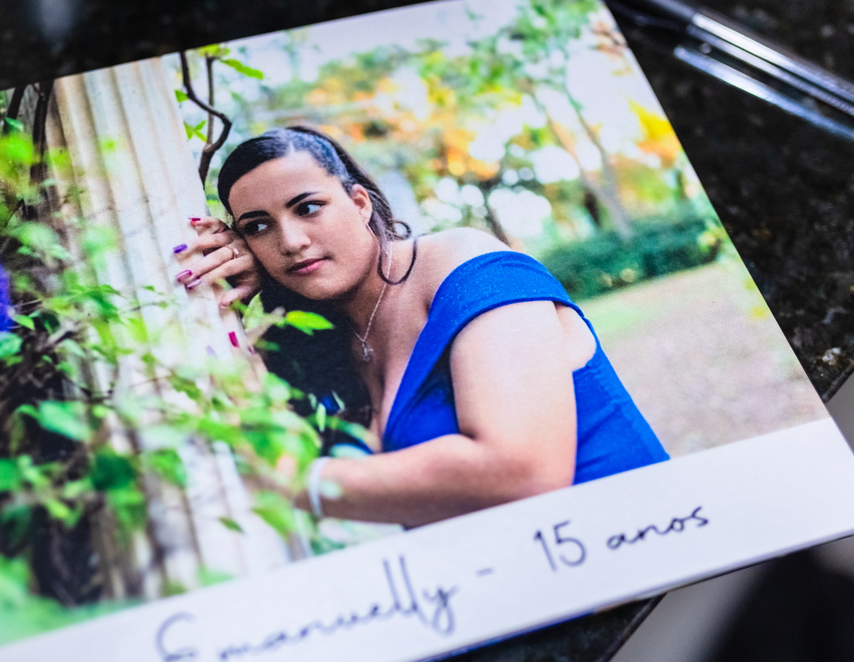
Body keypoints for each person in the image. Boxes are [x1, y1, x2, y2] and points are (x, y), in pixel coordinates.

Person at [173, 127, 668, 528]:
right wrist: (232, 301)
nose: (291, 241)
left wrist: (300, 481)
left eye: (307, 208)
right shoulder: (326, 338)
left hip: (638, 567)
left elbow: (525, 472)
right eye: (258, 227)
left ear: (360, 203)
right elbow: (257, 432)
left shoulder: (467, 264)